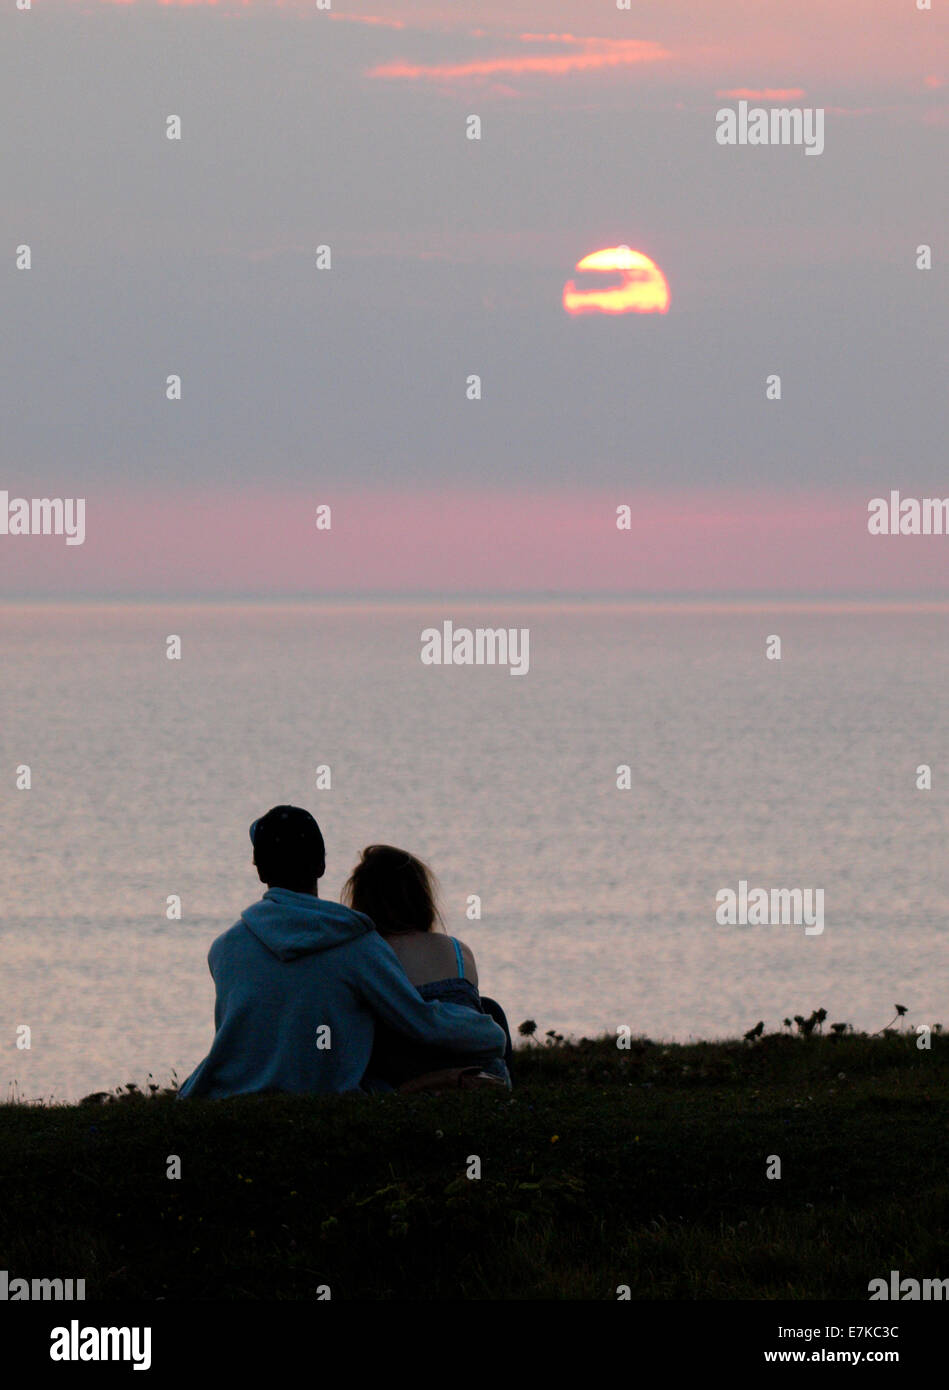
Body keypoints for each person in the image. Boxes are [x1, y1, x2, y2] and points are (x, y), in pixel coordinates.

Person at [177, 807, 505, 1099]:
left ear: (260, 872)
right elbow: (421, 1023)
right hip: (328, 1097)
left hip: (230, 1097)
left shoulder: (223, 950)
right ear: (321, 865)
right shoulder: (356, 943)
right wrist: (491, 1031)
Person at [342, 844, 513, 1088]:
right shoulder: (458, 951)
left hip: (404, 1082)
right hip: (481, 1078)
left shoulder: (365, 955)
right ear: (422, 898)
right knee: (490, 1008)